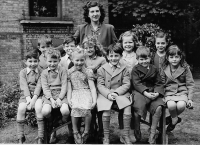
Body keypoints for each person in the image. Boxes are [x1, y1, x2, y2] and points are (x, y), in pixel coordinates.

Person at [97, 43, 132, 144]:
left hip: (120, 93)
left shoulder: (125, 69)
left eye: (116, 55)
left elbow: (126, 84)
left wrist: (116, 92)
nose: (114, 58)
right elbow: (100, 85)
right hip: (106, 94)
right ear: (107, 56)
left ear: (121, 56)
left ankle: (125, 135)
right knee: (106, 109)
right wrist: (108, 94)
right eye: (111, 55)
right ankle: (106, 137)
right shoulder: (102, 69)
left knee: (127, 106)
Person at [131, 46, 164, 144]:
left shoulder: (154, 68)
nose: (144, 61)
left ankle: (152, 133)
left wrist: (157, 93)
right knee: (137, 107)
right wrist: (146, 93)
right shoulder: (135, 69)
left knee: (158, 107)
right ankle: (137, 129)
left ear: (150, 58)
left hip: (153, 92)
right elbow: (136, 84)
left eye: (146, 59)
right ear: (137, 59)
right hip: (140, 92)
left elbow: (159, 82)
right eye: (141, 59)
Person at [160, 45, 195, 132]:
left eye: (176, 57)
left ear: (180, 57)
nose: (174, 59)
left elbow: (190, 84)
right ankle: (175, 120)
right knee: (171, 105)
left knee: (181, 105)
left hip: (181, 92)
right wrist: (161, 95)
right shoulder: (164, 68)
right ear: (167, 58)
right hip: (169, 92)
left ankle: (171, 118)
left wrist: (190, 99)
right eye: (171, 57)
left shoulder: (185, 68)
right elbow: (161, 84)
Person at [67, 48, 97, 144]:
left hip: (86, 92)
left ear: (85, 60)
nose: (79, 63)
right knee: (74, 107)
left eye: (82, 60)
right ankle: (75, 131)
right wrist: (69, 99)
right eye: (77, 60)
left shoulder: (88, 71)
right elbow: (69, 88)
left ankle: (86, 131)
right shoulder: (69, 72)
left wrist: (94, 100)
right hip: (75, 92)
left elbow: (92, 88)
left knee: (87, 108)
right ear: (72, 60)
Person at [41, 49, 70, 143]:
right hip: (49, 96)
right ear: (46, 61)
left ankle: (62, 121)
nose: (52, 64)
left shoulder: (63, 71)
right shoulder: (44, 73)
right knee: (45, 111)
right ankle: (51, 122)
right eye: (50, 61)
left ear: (59, 60)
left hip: (61, 94)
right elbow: (45, 88)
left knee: (65, 111)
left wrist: (59, 99)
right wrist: (52, 100)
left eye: (55, 61)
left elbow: (64, 85)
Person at [17, 50, 44, 144]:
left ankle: (41, 136)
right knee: (21, 108)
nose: (33, 64)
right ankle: (20, 136)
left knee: (39, 107)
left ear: (38, 61)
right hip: (26, 96)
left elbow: (39, 86)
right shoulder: (23, 72)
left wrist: (33, 100)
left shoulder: (41, 72)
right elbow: (24, 86)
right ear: (26, 62)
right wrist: (28, 99)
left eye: (35, 61)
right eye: (30, 61)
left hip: (38, 95)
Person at [117, 31, 139, 143]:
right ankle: (123, 132)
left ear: (134, 43)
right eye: (125, 42)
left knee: (134, 109)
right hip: (123, 87)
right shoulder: (119, 56)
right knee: (123, 108)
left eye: (130, 42)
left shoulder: (137, 56)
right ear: (122, 43)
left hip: (135, 86)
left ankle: (132, 131)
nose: (128, 45)